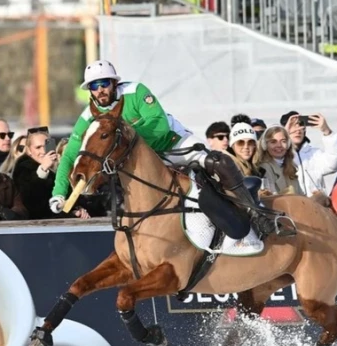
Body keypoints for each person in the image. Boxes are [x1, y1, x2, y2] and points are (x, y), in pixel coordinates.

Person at [49, 60, 277, 251]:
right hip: (145, 162)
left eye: (104, 83)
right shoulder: (89, 114)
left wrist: (129, 145)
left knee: (217, 162)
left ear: (114, 83)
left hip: (174, 144)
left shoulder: (136, 92)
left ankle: (254, 217)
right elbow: (70, 154)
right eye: (94, 86)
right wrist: (59, 193)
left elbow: (159, 126)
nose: (100, 90)